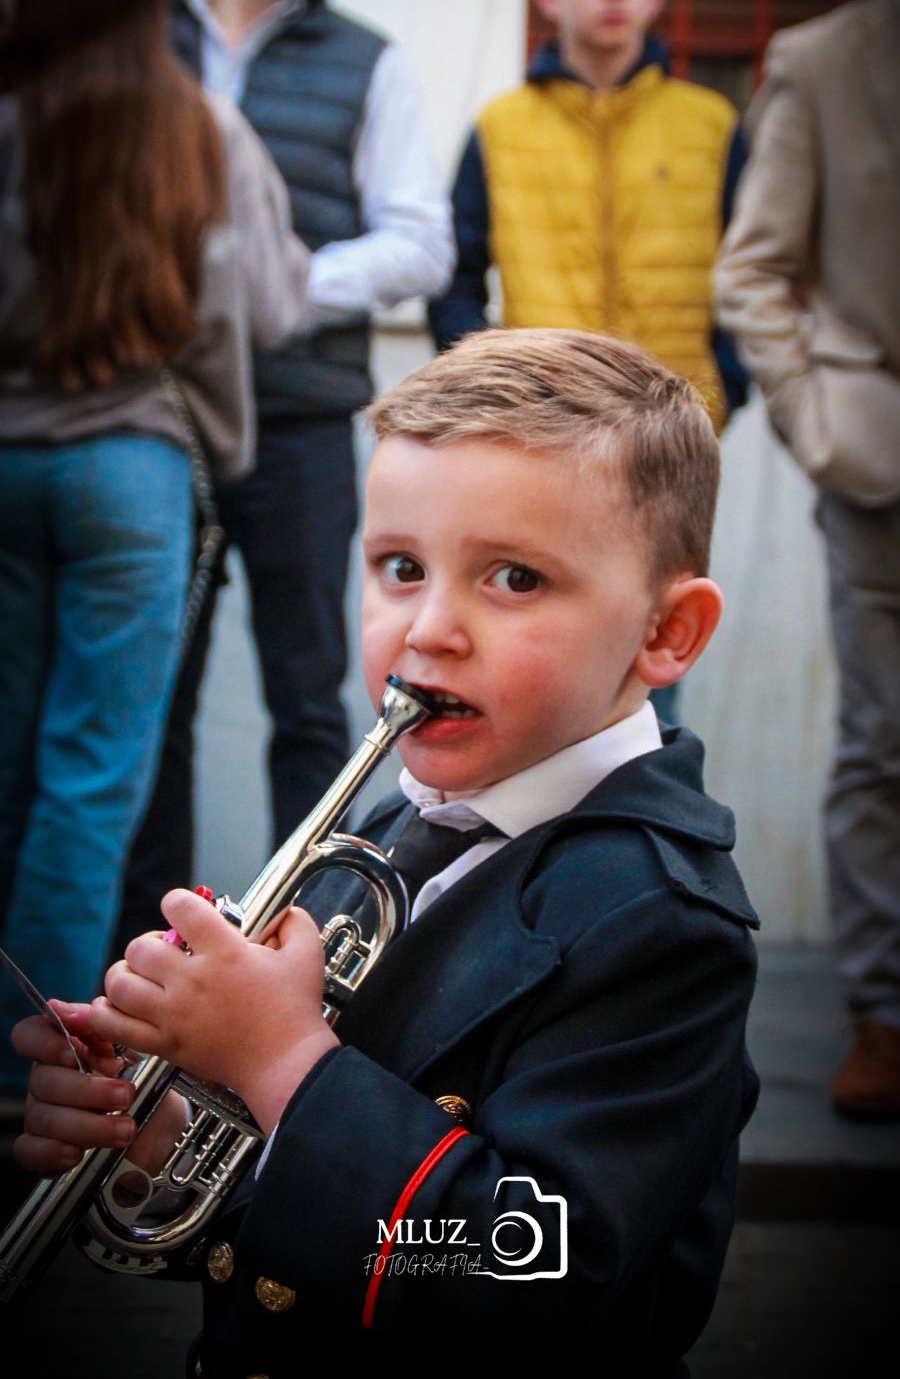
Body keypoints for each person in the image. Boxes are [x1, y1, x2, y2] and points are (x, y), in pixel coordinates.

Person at [14, 329, 759, 1370]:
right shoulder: (383, 828)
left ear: (667, 635)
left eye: (513, 577)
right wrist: (163, 1130)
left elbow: (533, 1266)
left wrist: (279, 1063)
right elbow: (292, 1228)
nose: (431, 628)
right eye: (399, 567)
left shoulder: (663, 919)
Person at [115, 0, 454, 951]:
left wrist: (266, 284)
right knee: (144, 706)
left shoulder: (372, 62)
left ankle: (298, 957)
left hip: (305, 424)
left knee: (314, 701)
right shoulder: (128, 35)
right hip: (153, 422)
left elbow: (420, 239)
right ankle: (147, 966)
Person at [0, 0, 311, 1095]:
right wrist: (222, 442)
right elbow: (263, 308)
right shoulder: (202, 129)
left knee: (14, 770)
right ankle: (29, 1076)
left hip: (10, 465)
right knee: (89, 786)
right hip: (132, 474)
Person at [427, 0, 748, 727]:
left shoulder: (712, 124)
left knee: (651, 674)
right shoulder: (501, 126)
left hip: (666, 449)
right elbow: (454, 275)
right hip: (539, 449)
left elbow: (756, 271)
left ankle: (638, 855)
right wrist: (492, 400)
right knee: (528, 664)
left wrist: (728, 388)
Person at [714, 0, 900, 1120]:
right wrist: (829, 423)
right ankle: (883, 1015)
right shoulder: (826, 60)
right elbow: (752, 270)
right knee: (886, 744)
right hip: (882, 468)